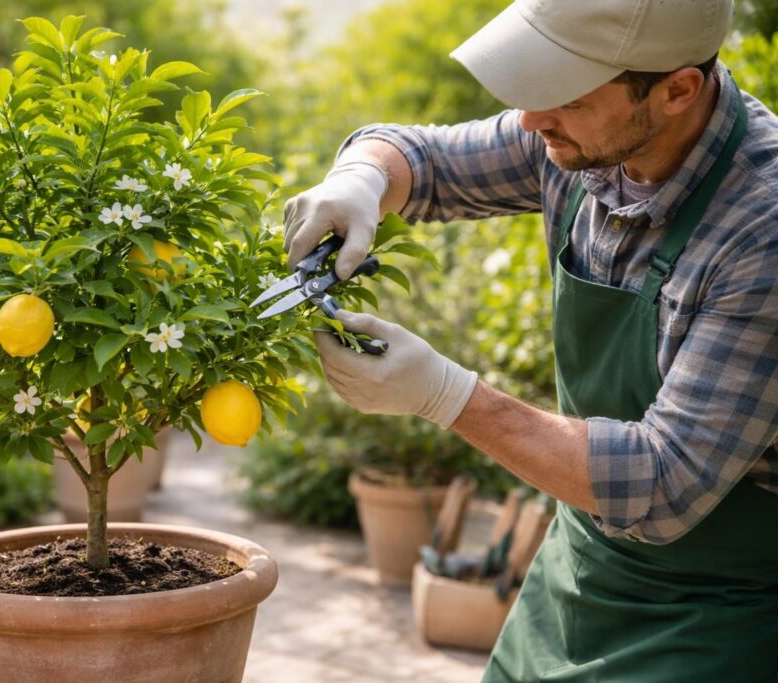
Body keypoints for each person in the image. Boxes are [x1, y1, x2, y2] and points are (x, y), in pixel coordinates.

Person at [283, 0, 778, 679]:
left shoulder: (761, 228)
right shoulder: (576, 138)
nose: (530, 118)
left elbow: (662, 483)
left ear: (677, 90)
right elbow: (422, 159)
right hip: (574, 574)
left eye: (563, 92)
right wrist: (361, 179)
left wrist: (444, 394)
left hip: (711, 617)